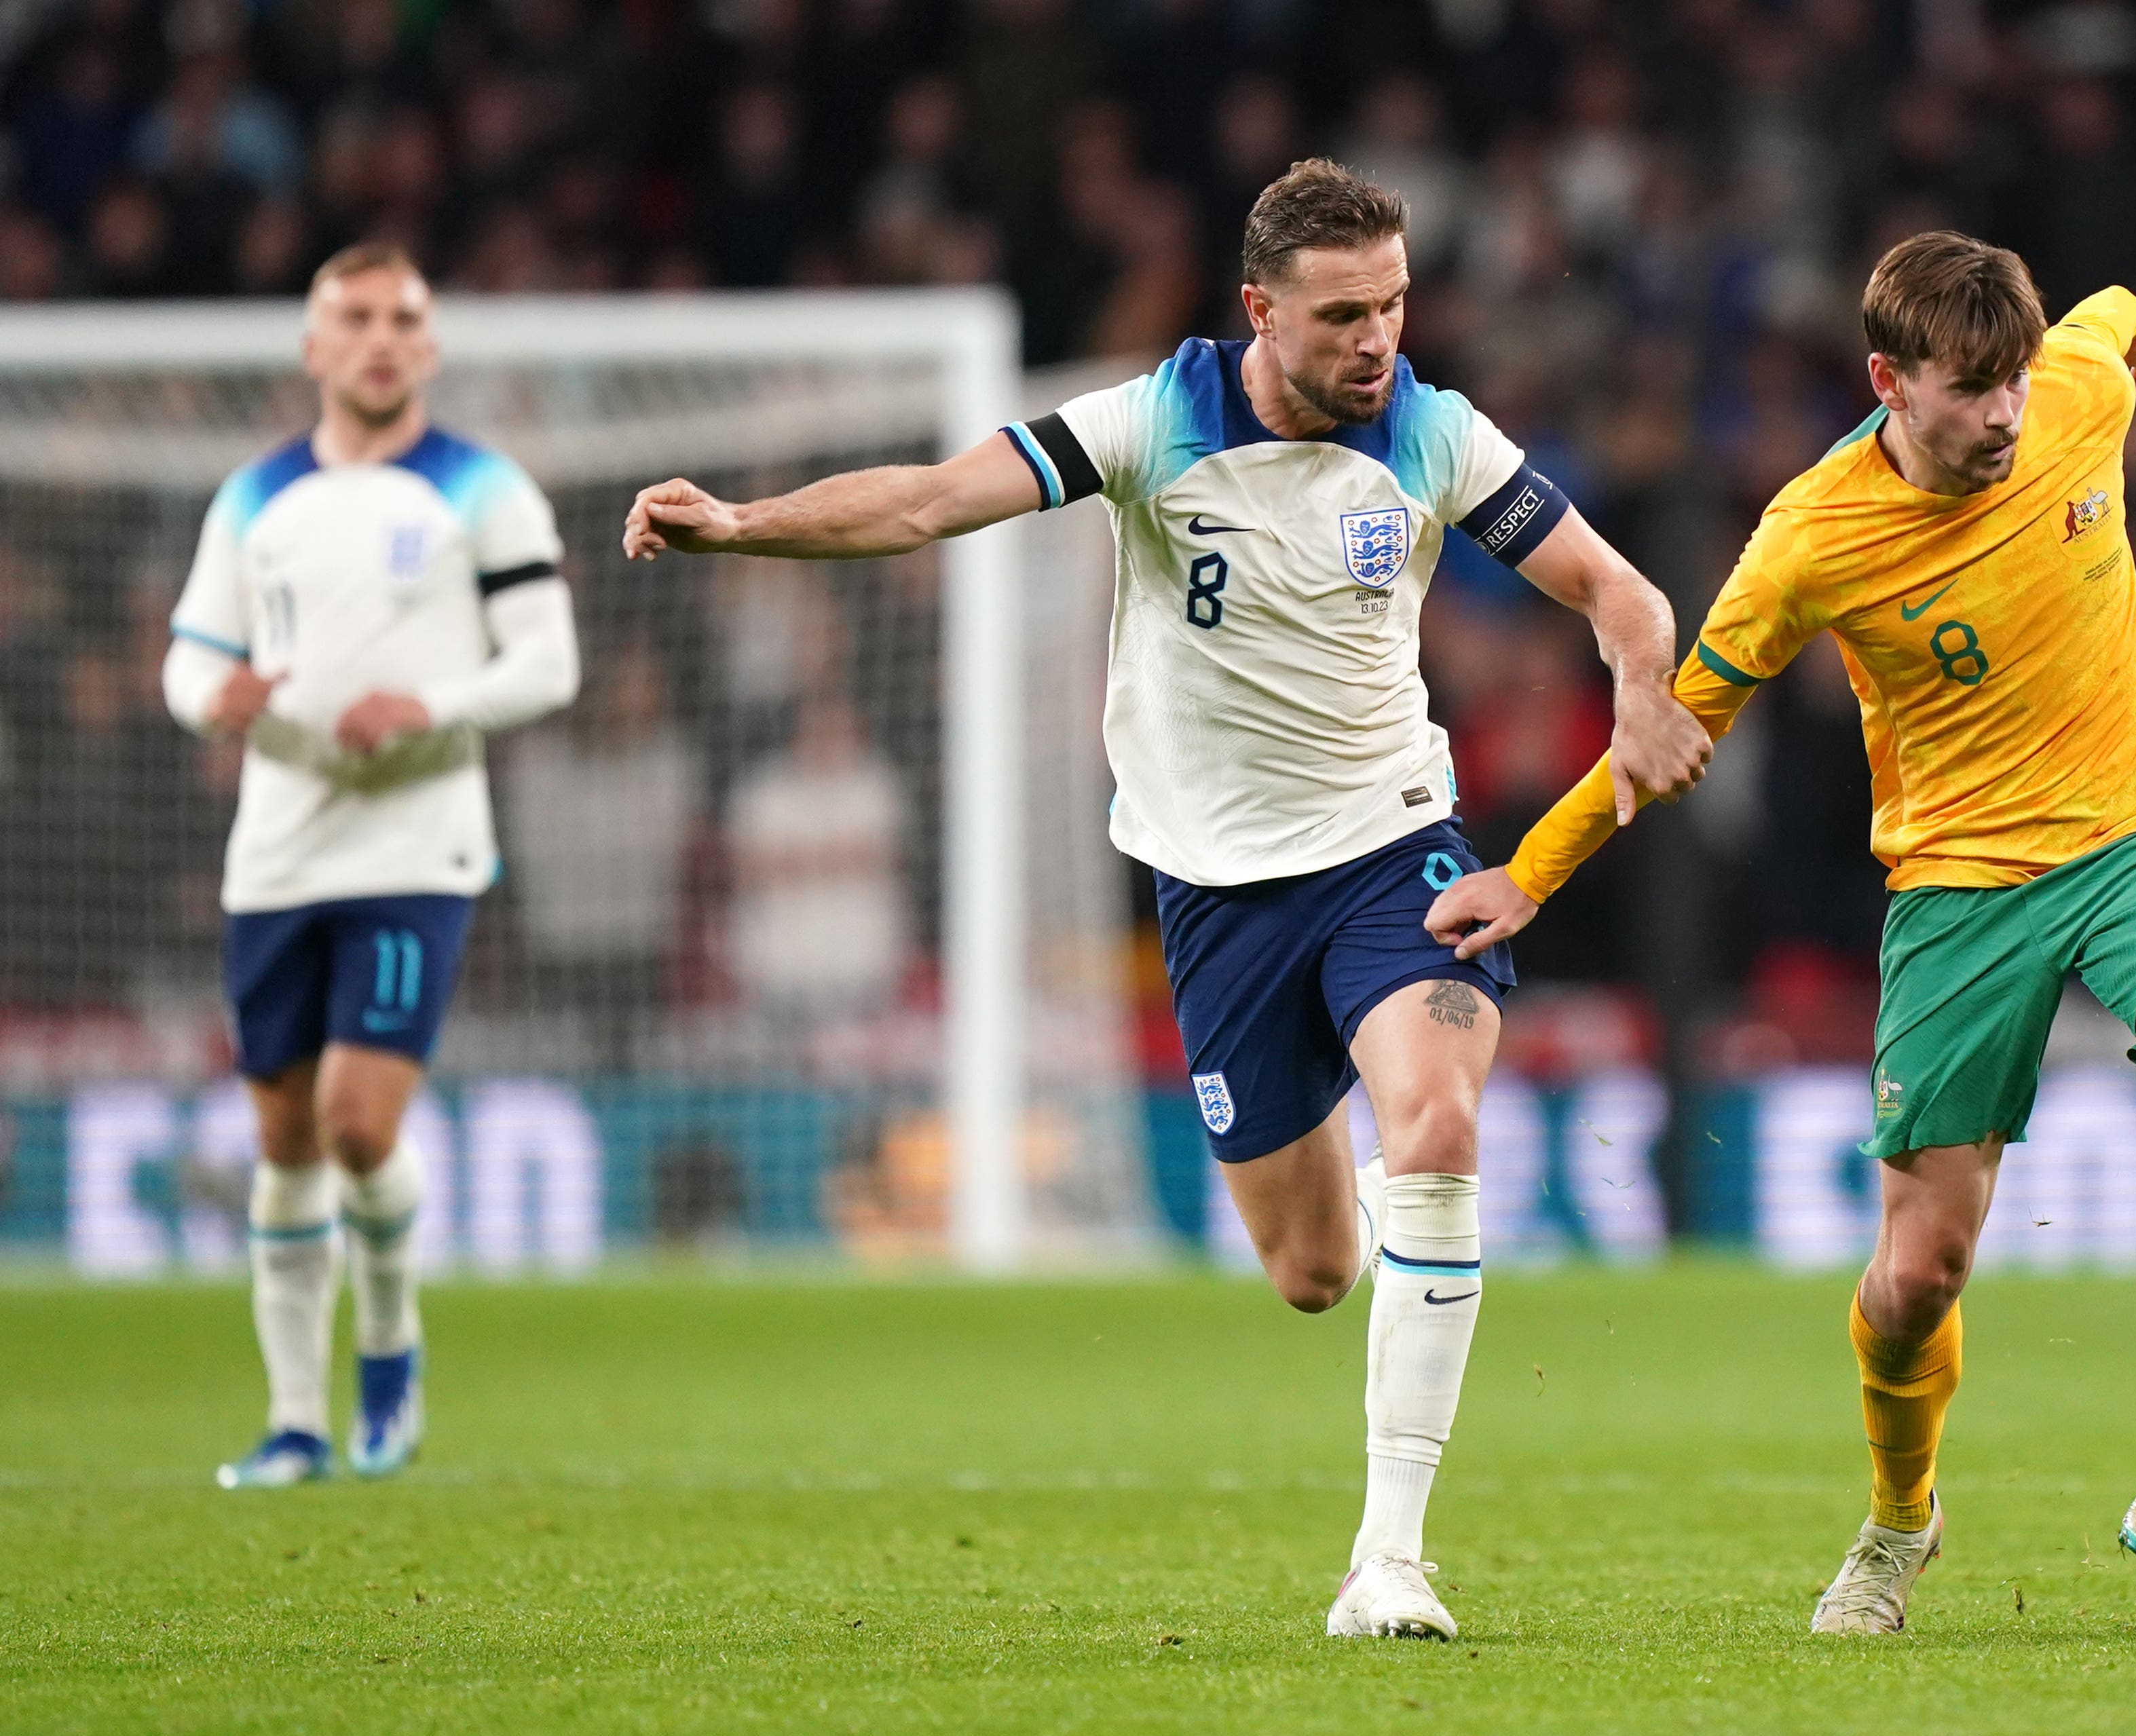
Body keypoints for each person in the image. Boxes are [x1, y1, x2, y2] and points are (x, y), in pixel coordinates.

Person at [624, 159, 1710, 1639]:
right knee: (1314, 1270)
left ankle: (1388, 1557)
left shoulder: (1432, 432)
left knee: (1441, 1123)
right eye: (1340, 315)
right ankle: (1397, 1220)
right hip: (1213, 891)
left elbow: (1617, 590)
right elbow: (934, 502)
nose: (1376, 341)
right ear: (1259, 308)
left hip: (1395, 846)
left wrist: (1641, 685)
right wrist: (745, 525)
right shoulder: (1155, 421)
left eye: (1393, 306)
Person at [1430, 231, 2136, 1633]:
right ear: (1886, 380)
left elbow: (2121, 319)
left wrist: (2113, 341)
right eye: (1971, 389)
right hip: (1957, 887)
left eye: (2016, 380)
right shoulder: (1811, 538)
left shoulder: (2073, 386)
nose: (2008, 415)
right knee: (1909, 1281)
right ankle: (1899, 1520)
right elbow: (1674, 723)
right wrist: (1531, 870)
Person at [164, 243, 581, 1488]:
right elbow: (189, 657)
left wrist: (432, 704)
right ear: (314, 347)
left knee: (357, 1121)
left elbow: (548, 664)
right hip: (280, 851)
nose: (381, 338)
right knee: (285, 1134)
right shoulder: (253, 499)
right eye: (355, 318)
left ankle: (389, 1340)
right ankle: (295, 1422)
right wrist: (213, 700)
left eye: (404, 317)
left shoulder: (483, 488)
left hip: (418, 841)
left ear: (431, 346)